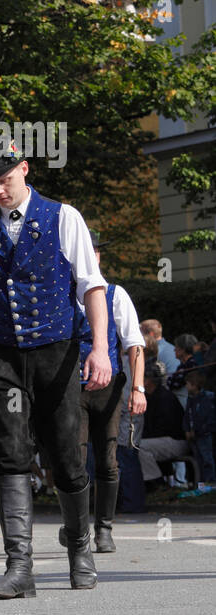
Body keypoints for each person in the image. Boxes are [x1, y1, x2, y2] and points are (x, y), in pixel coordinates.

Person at [0, 141, 111, 598]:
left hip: (57, 351)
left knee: (66, 455)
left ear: (24, 170)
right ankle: (18, 568)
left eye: (5, 179)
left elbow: (92, 286)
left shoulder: (64, 218)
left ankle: (80, 551)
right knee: (9, 452)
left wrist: (101, 348)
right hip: (3, 354)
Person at [68, 231, 145, 553]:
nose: (91, 257)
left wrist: (138, 388)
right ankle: (78, 528)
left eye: (95, 252)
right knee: (74, 460)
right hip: (71, 389)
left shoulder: (116, 295)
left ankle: (104, 529)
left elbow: (134, 344)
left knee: (108, 461)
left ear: (98, 257)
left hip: (108, 389)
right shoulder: (61, 294)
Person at [138, 360, 189, 489]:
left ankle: (156, 483)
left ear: (148, 380)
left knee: (139, 447)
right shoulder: (149, 396)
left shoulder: (164, 398)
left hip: (176, 441)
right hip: (164, 439)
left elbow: (165, 429)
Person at [182, 368, 215, 490]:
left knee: (206, 458)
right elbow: (187, 416)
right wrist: (187, 429)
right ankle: (201, 484)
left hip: (204, 434)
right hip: (194, 434)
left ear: (194, 385)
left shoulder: (206, 399)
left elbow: (207, 418)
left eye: (188, 383)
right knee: (198, 459)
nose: (186, 386)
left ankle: (210, 483)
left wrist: (198, 430)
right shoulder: (190, 400)